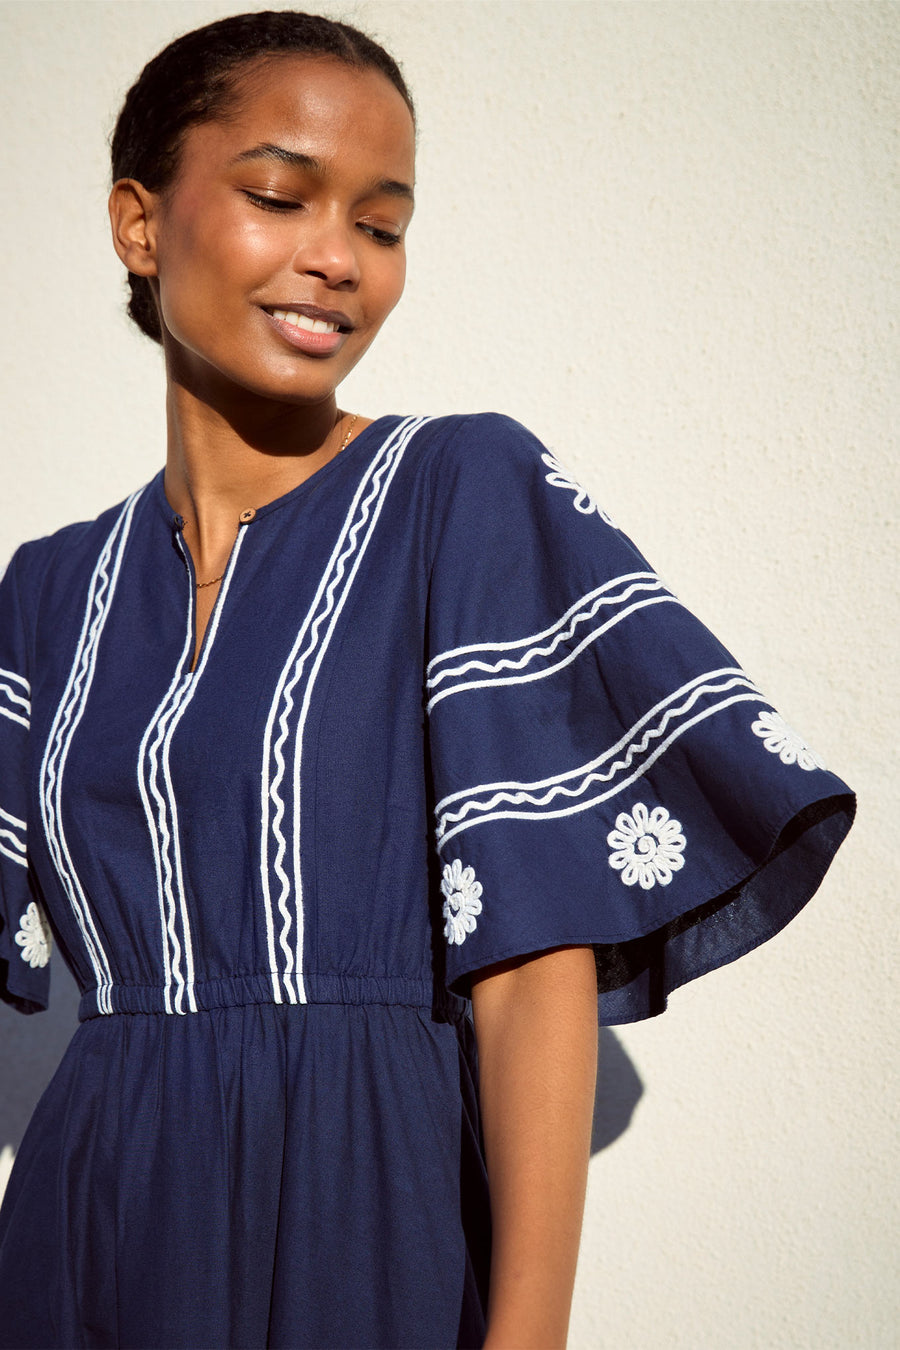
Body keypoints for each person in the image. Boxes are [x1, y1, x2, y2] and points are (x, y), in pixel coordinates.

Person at [0, 10, 854, 1349]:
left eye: (382, 224)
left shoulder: (459, 490)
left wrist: (528, 1339)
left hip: (367, 1215)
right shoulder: (50, 589)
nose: (339, 257)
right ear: (140, 223)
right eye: (280, 195)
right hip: (87, 1225)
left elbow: (533, 960)